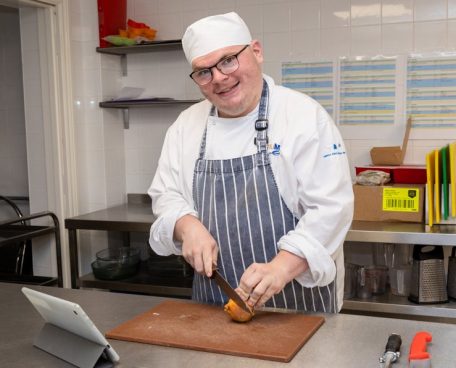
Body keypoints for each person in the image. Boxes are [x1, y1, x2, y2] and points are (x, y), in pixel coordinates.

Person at [148, 12, 354, 313]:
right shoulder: (185, 126)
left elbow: (331, 209)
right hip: (213, 307)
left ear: (256, 51)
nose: (218, 77)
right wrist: (186, 224)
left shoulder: (304, 117)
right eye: (203, 72)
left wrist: (282, 267)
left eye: (228, 60)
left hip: (296, 307)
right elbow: (166, 195)